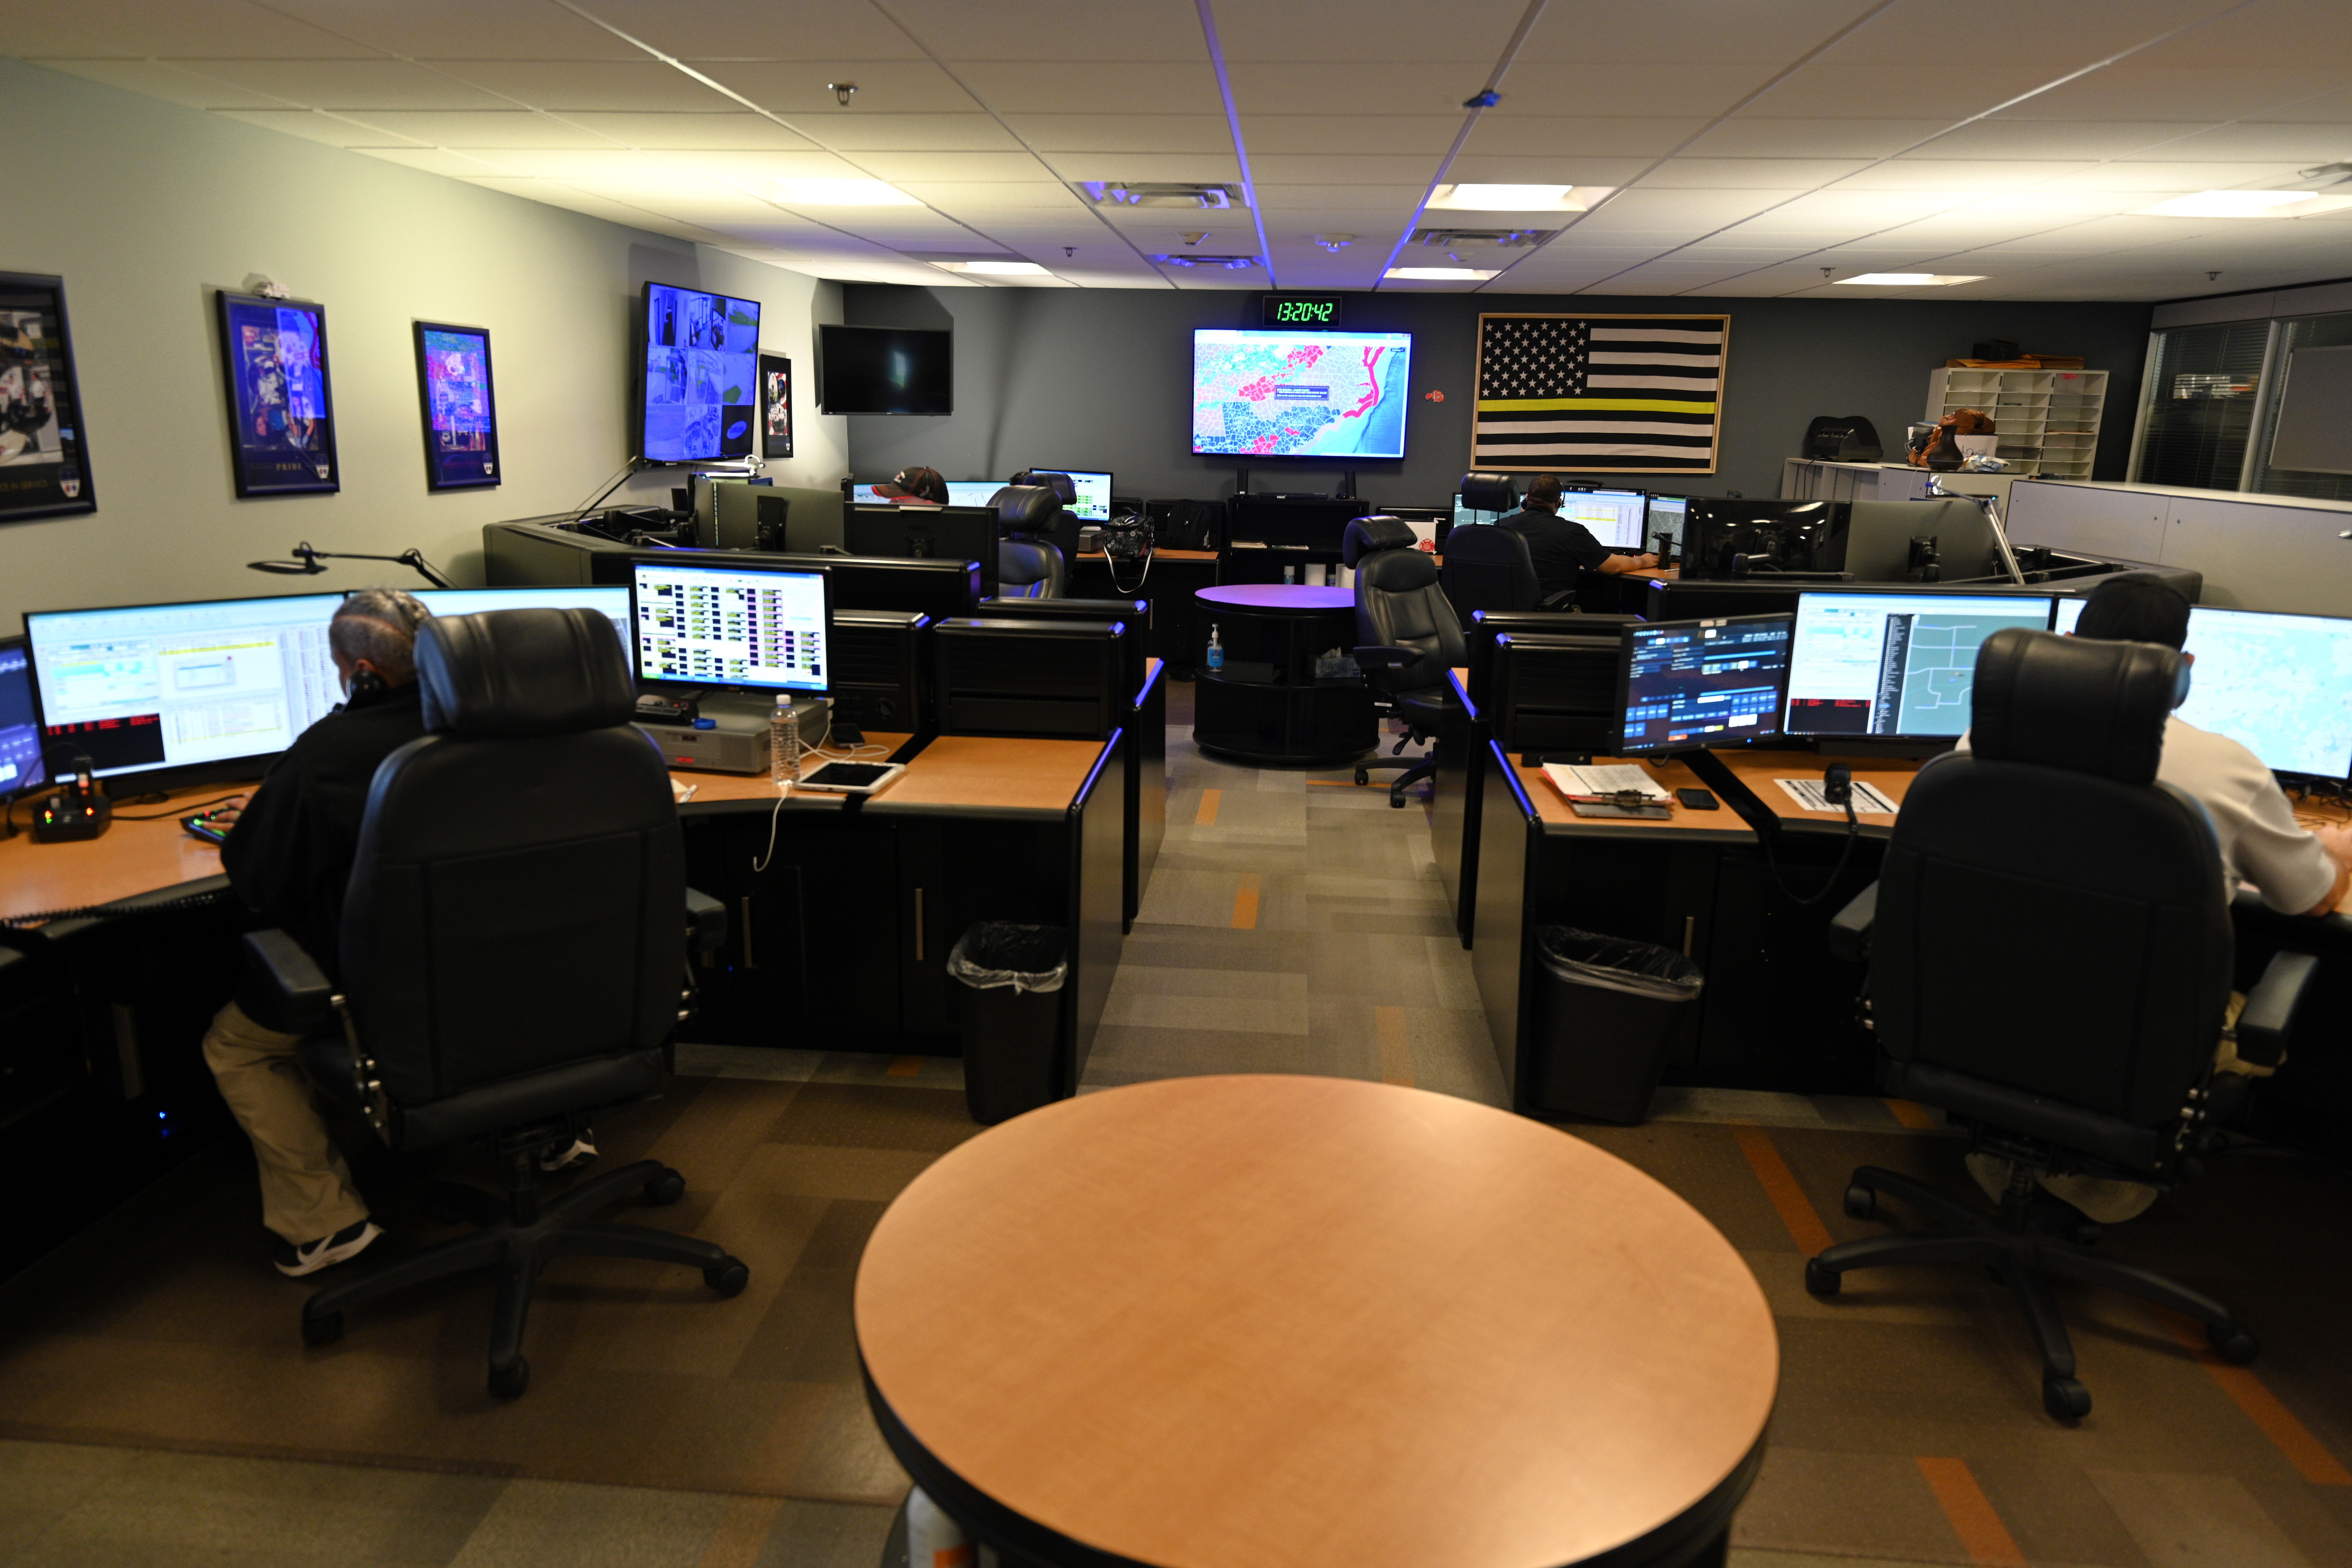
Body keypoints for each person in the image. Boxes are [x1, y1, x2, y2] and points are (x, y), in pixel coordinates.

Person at [199, 592, 602, 1277]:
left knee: (237, 1046)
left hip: (407, 1002)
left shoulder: (329, 753)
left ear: (361, 673)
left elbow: (259, 878)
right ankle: (554, 1129)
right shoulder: (530, 724)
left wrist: (273, 810)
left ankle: (326, 1224)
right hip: (540, 972)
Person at [1955, 572, 2352, 1220]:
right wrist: (2336, 852)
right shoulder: (2228, 768)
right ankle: (2094, 1174)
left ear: (2067, 645)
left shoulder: (1982, 741)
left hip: (1986, 1010)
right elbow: (2309, 900)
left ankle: (2021, 1153)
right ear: (2182, 669)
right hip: (2140, 1040)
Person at [1497, 474, 1671, 605]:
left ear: (1527, 499)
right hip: (1546, 611)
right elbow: (1613, 567)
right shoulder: (1572, 532)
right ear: (1559, 503)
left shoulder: (1501, 527)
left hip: (1503, 609)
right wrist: (1643, 560)